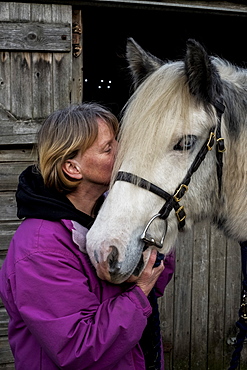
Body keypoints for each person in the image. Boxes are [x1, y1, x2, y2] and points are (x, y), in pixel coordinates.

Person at [0, 102, 175, 370]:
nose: (122, 151)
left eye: (118, 141)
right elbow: (77, 347)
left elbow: (158, 281)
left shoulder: (109, 217)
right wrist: (140, 291)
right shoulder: (40, 248)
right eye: (108, 148)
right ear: (73, 168)